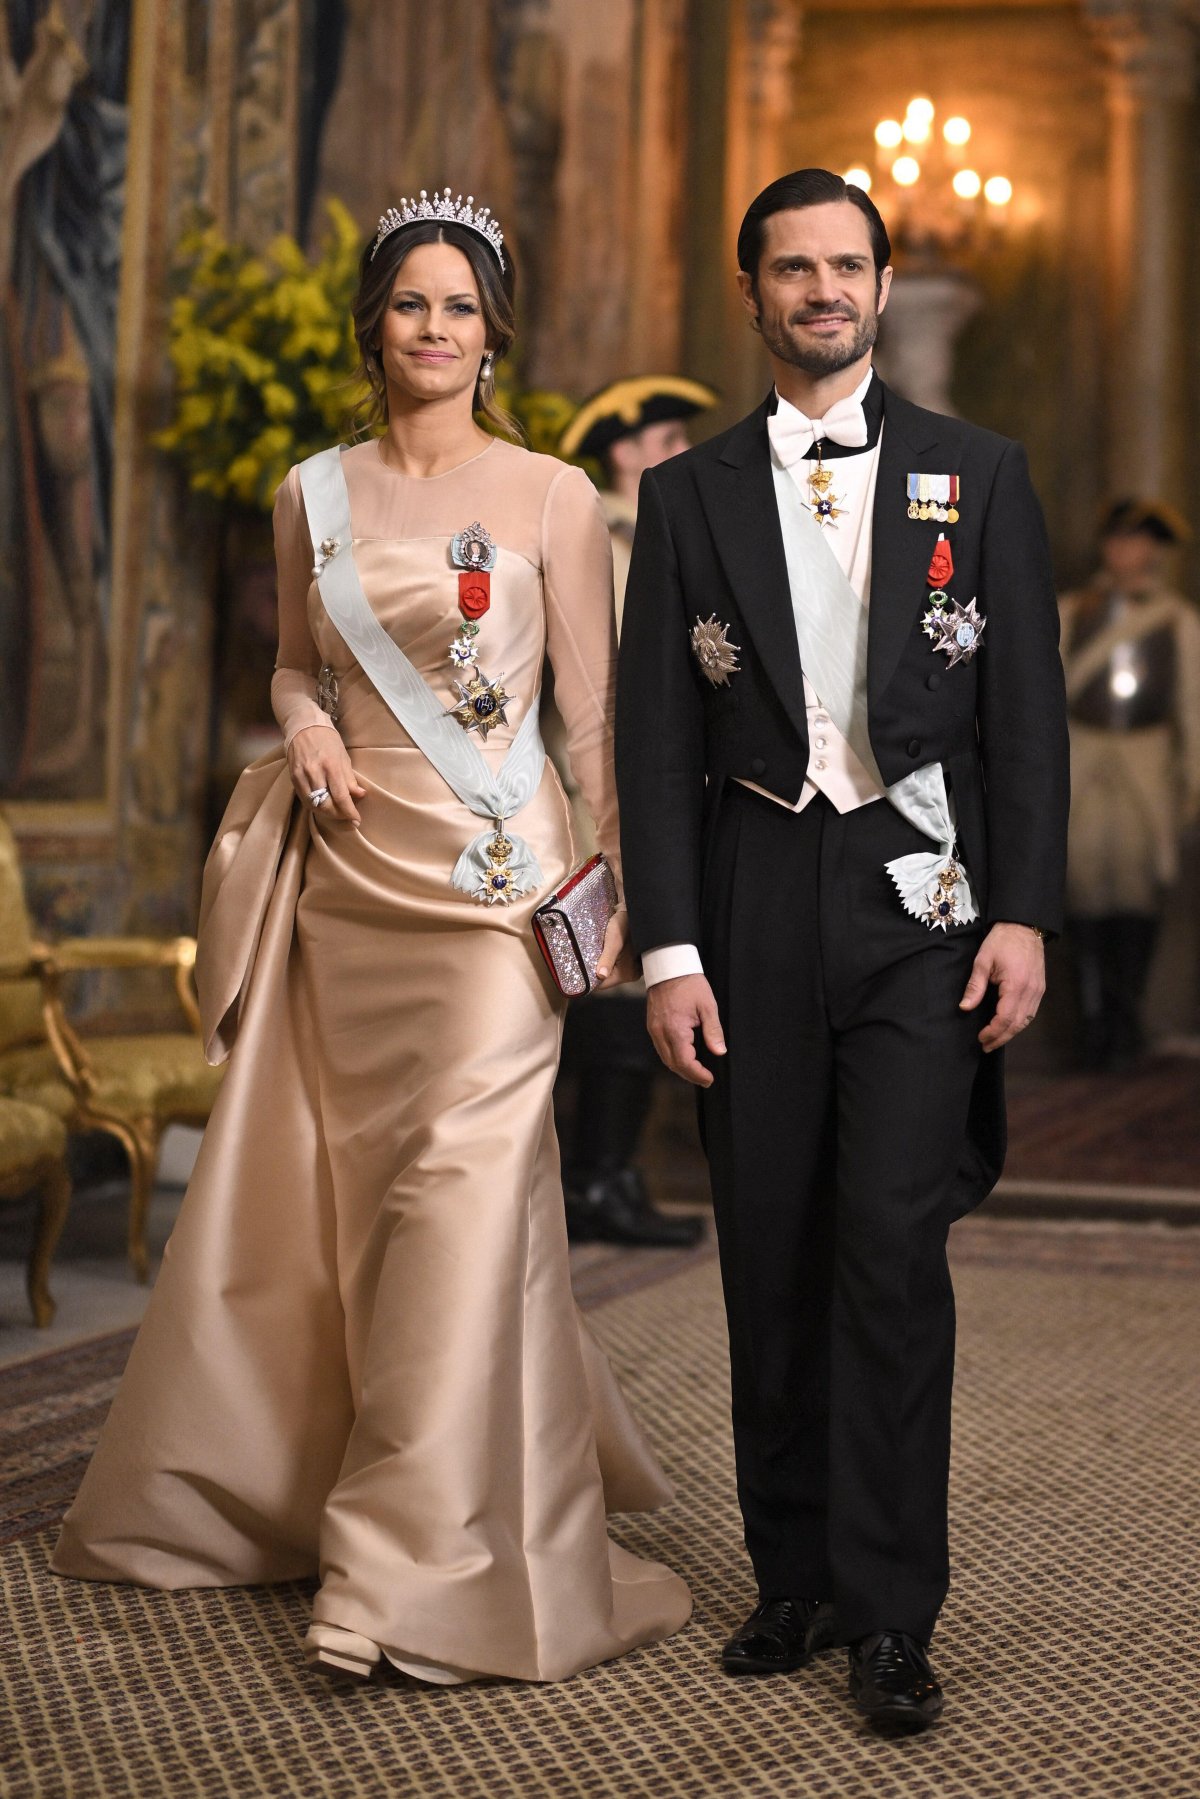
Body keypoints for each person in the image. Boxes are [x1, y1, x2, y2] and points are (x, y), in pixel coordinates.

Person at [51, 188, 691, 1685]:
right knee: (365, 1208)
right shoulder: (309, 489)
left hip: (494, 895)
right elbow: (288, 666)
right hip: (352, 882)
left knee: (461, 1200)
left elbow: (588, 715)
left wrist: (619, 896)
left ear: (494, 330)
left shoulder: (548, 496)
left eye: (462, 306)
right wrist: (303, 730)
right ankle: (352, 1491)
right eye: (411, 302)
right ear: (373, 323)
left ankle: (392, 1567)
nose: (435, 329)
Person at [616, 169, 1068, 1731]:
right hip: (747, 883)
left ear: (880, 284)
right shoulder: (686, 496)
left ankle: (890, 1609)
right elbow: (652, 733)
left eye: (847, 265)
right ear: (751, 292)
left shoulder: (981, 472)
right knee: (771, 1236)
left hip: (919, 895)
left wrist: (1024, 910)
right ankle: (791, 1569)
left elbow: (1028, 720)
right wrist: (667, 948)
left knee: (889, 1248)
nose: (823, 289)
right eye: (792, 267)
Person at [552, 377, 718, 1247]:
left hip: (654, 782)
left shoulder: (659, 528)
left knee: (635, 979)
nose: (686, 450)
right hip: (599, 791)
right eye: (670, 438)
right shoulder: (604, 541)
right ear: (626, 452)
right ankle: (593, 1180)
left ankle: (605, 1173)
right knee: (611, 982)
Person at [1060, 499, 1200, 1068]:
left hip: (1145, 758)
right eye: (1119, 539)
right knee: (1081, 883)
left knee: (1139, 888)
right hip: (1083, 754)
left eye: (1140, 541)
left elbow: (1191, 704)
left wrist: (1192, 779)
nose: (1128, 552)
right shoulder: (1070, 612)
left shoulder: (1177, 620)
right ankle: (1092, 1023)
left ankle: (1126, 1015)